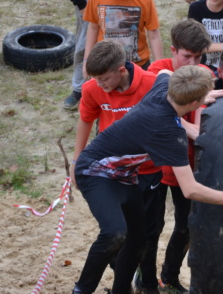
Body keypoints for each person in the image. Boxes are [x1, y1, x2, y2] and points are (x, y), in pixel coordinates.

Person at [71, 66, 223, 294]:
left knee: (139, 239)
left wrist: (198, 95)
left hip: (124, 176)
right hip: (94, 171)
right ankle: (82, 289)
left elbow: (166, 73)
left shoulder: (162, 89)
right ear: (193, 103)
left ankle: (121, 291)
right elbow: (190, 190)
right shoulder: (170, 132)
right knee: (114, 232)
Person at [70, 40, 165, 294]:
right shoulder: (92, 89)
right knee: (115, 232)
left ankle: (144, 283)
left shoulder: (151, 83)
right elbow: (85, 120)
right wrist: (76, 161)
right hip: (110, 172)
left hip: (147, 170)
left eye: (103, 78)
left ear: (121, 70)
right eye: (95, 78)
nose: (99, 84)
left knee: (145, 236)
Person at [147, 19, 216, 294]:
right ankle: (146, 278)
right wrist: (186, 128)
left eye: (198, 57)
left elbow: (198, 127)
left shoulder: (203, 74)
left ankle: (169, 277)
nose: (192, 62)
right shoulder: (155, 72)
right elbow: (160, 116)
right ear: (173, 50)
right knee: (151, 226)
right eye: (187, 56)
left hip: (185, 164)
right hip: (152, 164)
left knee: (187, 225)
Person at [83, 0, 163, 74]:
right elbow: (93, 28)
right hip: (106, 65)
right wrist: (87, 61)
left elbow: (153, 34)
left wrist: (160, 67)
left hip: (138, 65)